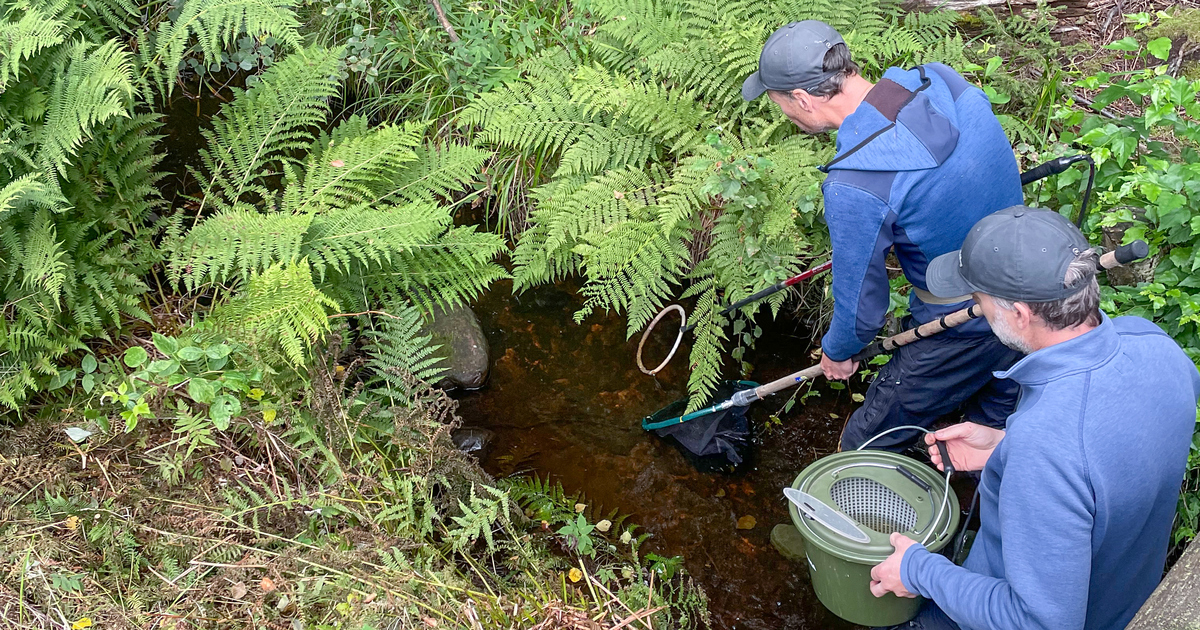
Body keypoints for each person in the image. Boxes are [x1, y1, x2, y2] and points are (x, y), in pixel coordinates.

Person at [868, 206, 1200, 630]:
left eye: (978, 299)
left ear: (1021, 314)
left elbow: (1039, 622)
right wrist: (1004, 449)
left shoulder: (1046, 447)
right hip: (1124, 600)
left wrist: (918, 571)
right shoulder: (1155, 345)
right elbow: (1106, 448)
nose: (977, 307)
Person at [742, 21, 1025, 451]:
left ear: (802, 98)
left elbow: (862, 313)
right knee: (996, 417)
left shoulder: (856, 182)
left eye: (780, 103)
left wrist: (838, 352)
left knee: (864, 444)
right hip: (1036, 276)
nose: (784, 113)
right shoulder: (940, 80)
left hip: (969, 321)